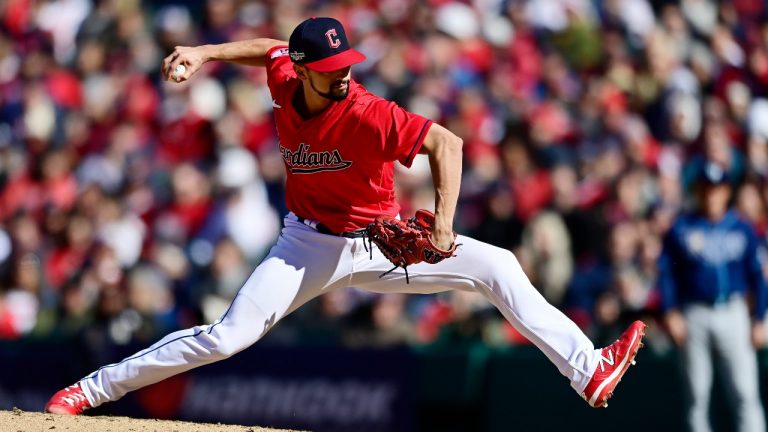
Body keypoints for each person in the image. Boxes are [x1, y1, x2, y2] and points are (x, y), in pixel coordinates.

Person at [44, 17, 645, 416]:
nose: (346, 75)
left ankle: (588, 371)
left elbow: (449, 144)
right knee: (226, 337)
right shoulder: (287, 80)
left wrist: (443, 218)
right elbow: (271, 49)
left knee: (499, 267)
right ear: (304, 71)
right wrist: (204, 53)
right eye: (332, 69)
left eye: (348, 64)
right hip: (306, 247)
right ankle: (88, 391)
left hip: (384, 245)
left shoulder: (365, 111)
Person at [659, 162, 767, 432]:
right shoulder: (682, 227)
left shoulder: (741, 228)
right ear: (697, 190)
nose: (711, 195)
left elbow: (757, 277)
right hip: (695, 313)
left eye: (717, 189)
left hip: (734, 311)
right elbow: (666, 274)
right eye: (706, 188)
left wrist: (760, 317)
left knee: (745, 392)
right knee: (697, 395)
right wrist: (671, 311)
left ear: (726, 191)